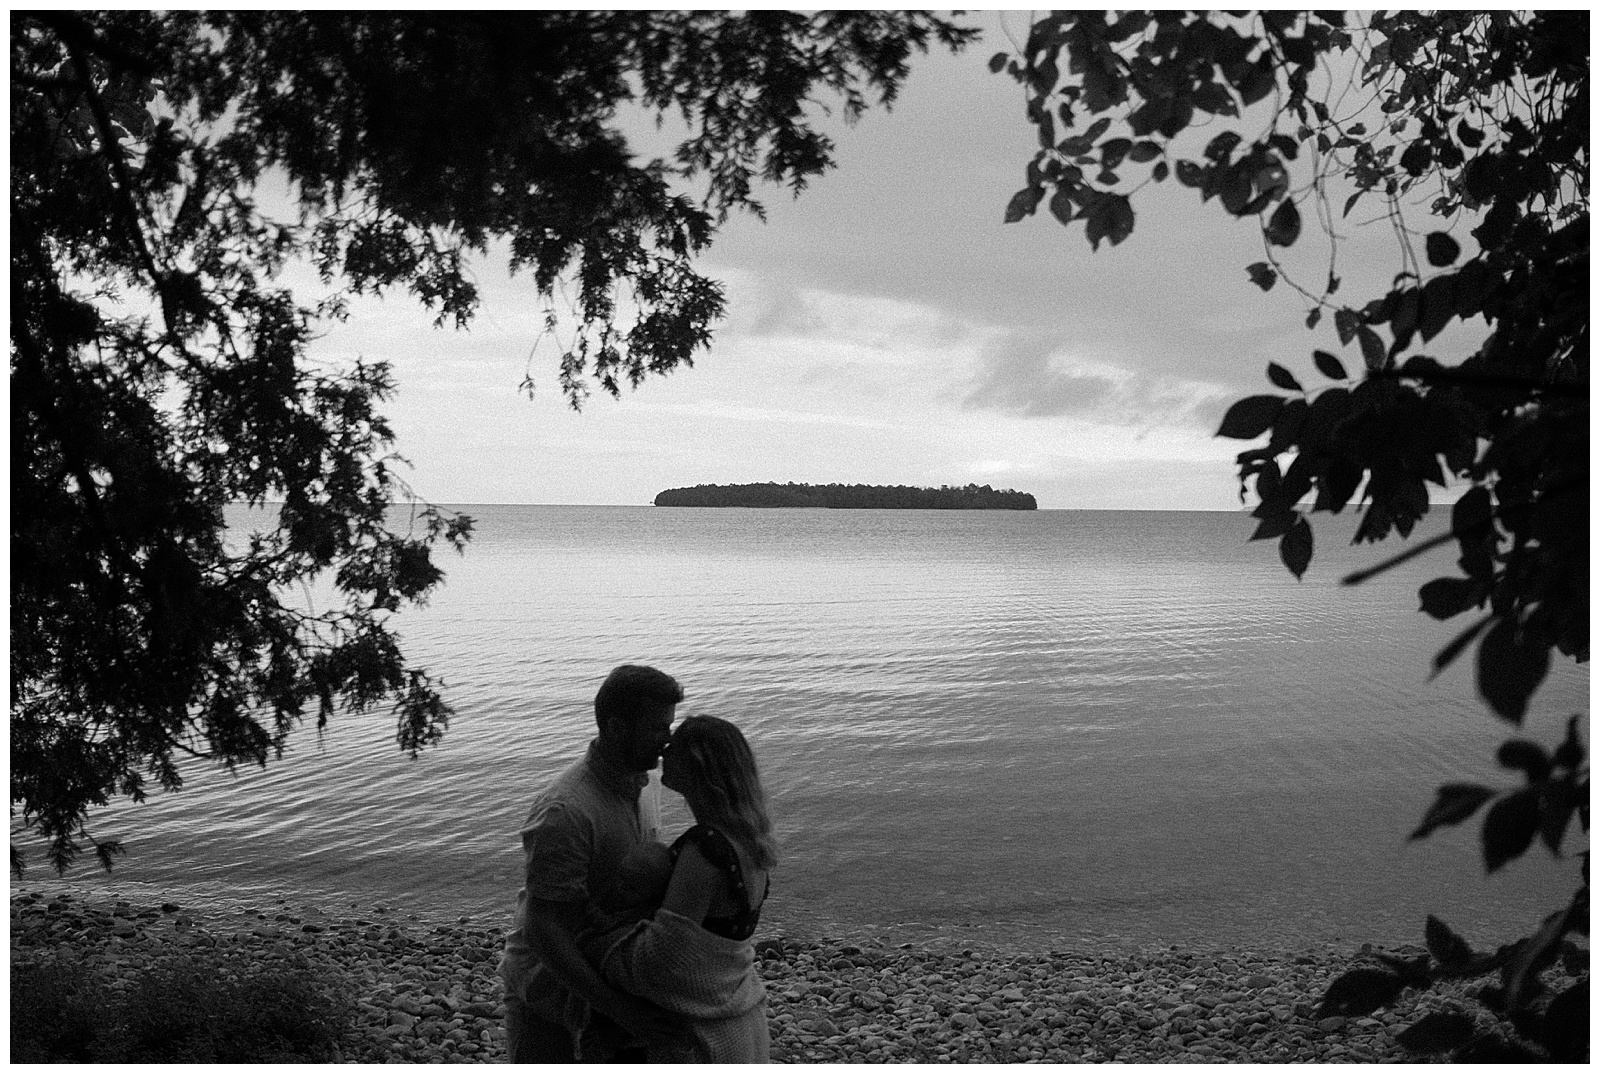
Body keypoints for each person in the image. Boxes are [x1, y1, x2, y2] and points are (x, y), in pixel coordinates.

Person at [499, 664, 690, 1062]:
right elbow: (544, 931)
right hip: (549, 995)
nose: (667, 741)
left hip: (604, 986)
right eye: (658, 728)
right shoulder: (566, 812)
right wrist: (623, 1011)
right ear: (618, 727)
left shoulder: (646, 782)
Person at [587, 715, 778, 1063]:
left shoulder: (706, 847)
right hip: (743, 1021)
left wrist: (600, 951)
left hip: (704, 1036)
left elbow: (664, 960)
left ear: (698, 767)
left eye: (674, 747)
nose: (662, 752)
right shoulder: (750, 841)